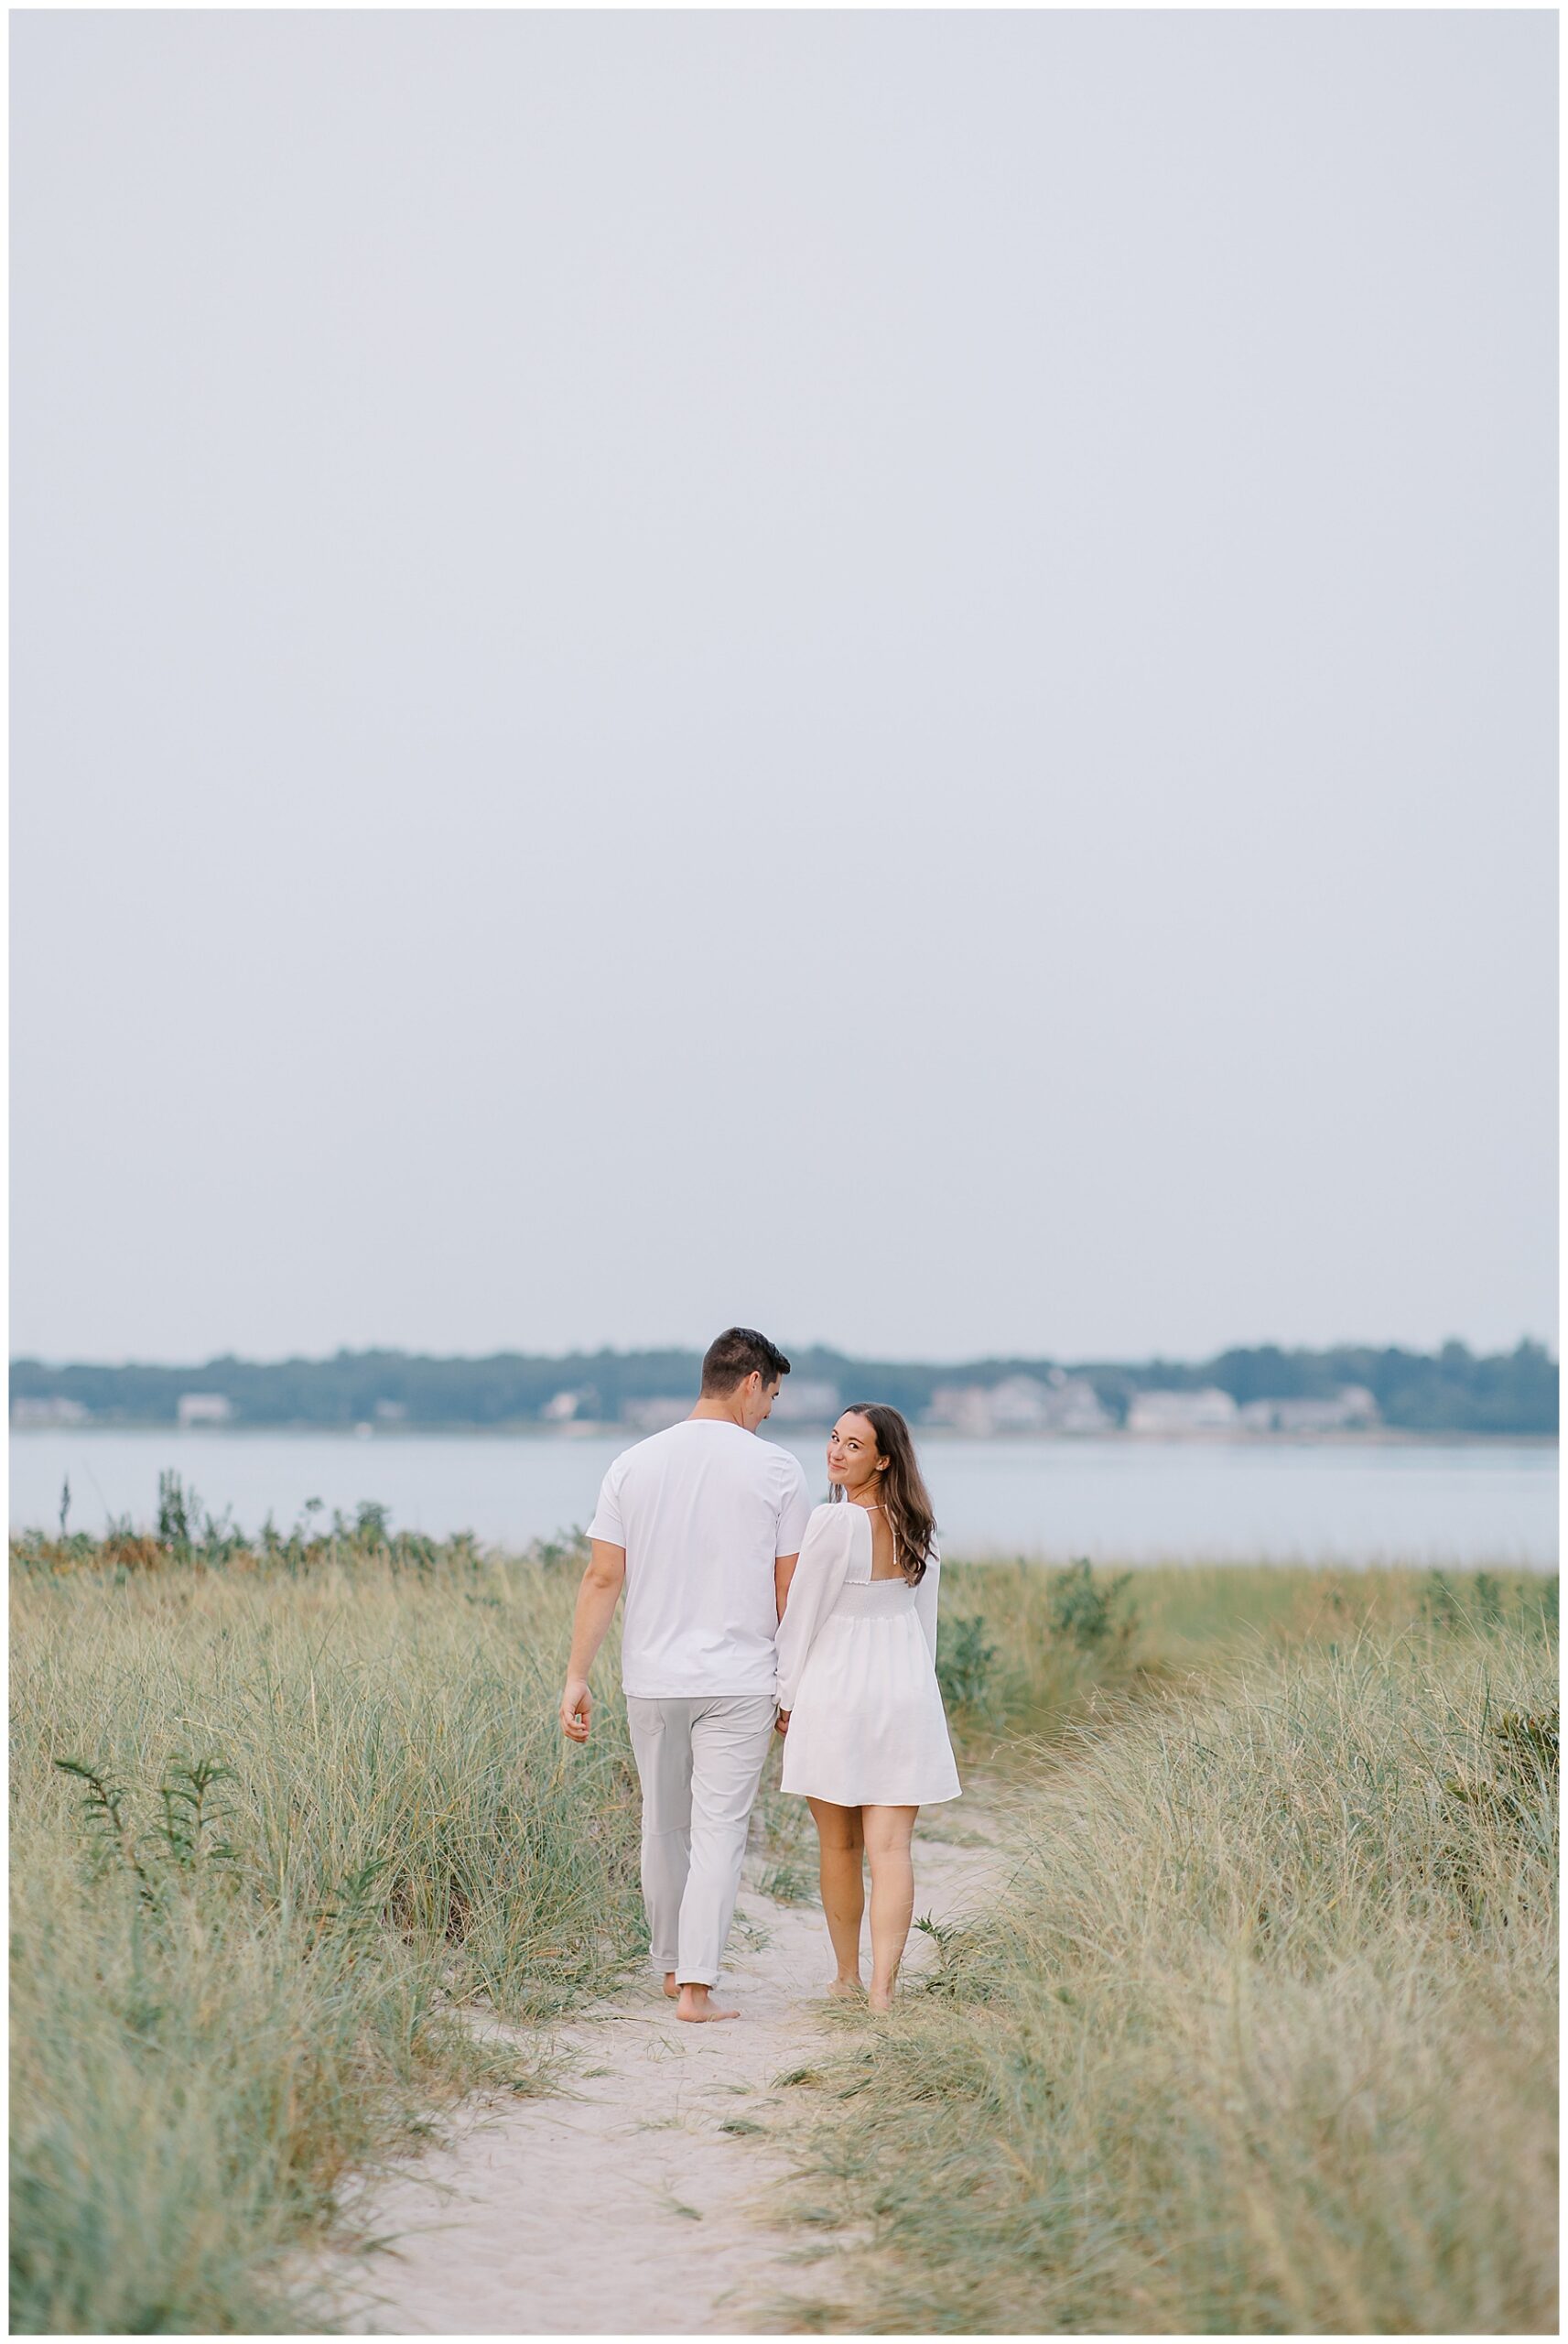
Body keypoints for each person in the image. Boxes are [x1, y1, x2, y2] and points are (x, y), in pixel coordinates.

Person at [558, 1326, 814, 2023]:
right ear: (750, 1382)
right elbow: (787, 1591)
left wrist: (576, 1676)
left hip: (652, 1678)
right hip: (738, 1680)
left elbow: (602, 1576)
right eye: (772, 1395)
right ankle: (698, 1988)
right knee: (719, 1832)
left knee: (662, 1827)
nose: (770, 1411)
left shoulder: (632, 1464)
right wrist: (793, 1686)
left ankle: (671, 1970)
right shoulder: (778, 1470)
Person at [774, 1405, 960, 2011]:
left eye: (852, 1445)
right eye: (833, 1438)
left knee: (841, 1848)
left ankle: (848, 1977)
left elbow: (802, 1615)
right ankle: (883, 1992)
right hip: (903, 1687)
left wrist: (785, 1695)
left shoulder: (833, 1522)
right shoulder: (921, 1527)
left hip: (837, 1688)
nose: (835, 1451)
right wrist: (918, 1687)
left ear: (882, 1459)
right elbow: (923, 1624)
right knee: (890, 1851)